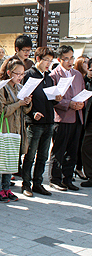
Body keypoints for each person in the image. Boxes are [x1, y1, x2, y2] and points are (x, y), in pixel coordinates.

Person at [0, 58, 32, 202]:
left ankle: (7, 188)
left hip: (16, 128)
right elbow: (1, 111)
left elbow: (25, 111)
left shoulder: (20, 87)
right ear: (8, 73)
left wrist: (27, 103)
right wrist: (19, 103)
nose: (20, 77)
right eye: (17, 73)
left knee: (11, 160)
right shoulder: (0, 87)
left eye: (22, 74)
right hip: (3, 128)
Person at [21, 47, 62, 197]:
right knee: (30, 155)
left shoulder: (49, 77)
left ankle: (38, 183)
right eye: (46, 60)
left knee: (43, 155)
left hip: (49, 120)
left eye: (51, 61)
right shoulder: (28, 75)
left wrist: (57, 99)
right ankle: (26, 184)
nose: (48, 64)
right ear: (38, 59)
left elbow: (51, 101)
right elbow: (23, 100)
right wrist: (32, 113)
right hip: (34, 122)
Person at [49, 45, 85, 191]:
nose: (70, 61)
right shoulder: (54, 76)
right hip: (62, 118)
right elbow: (53, 99)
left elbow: (83, 92)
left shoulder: (77, 74)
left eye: (72, 58)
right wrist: (68, 103)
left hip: (77, 116)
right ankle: (55, 179)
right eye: (66, 58)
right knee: (59, 149)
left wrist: (82, 103)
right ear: (59, 59)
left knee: (72, 150)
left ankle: (68, 178)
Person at [74, 55, 90, 180]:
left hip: (87, 116)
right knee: (79, 143)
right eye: (84, 62)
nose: (87, 65)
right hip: (78, 114)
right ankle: (77, 168)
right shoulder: (77, 77)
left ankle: (79, 168)